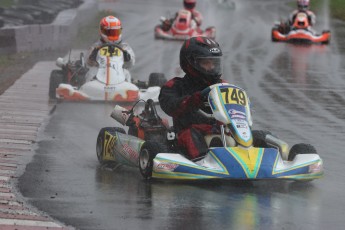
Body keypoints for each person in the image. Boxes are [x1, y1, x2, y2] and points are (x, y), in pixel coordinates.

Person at [159, 36, 224, 159]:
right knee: (190, 136)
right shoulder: (175, 85)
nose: (211, 67)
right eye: (206, 63)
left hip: (219, 130)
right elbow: (169, 106)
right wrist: (193, 100)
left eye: (214, 63)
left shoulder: (222, 85)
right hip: (188, 132)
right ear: (190, 63)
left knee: (246, 134)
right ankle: (202, 162)